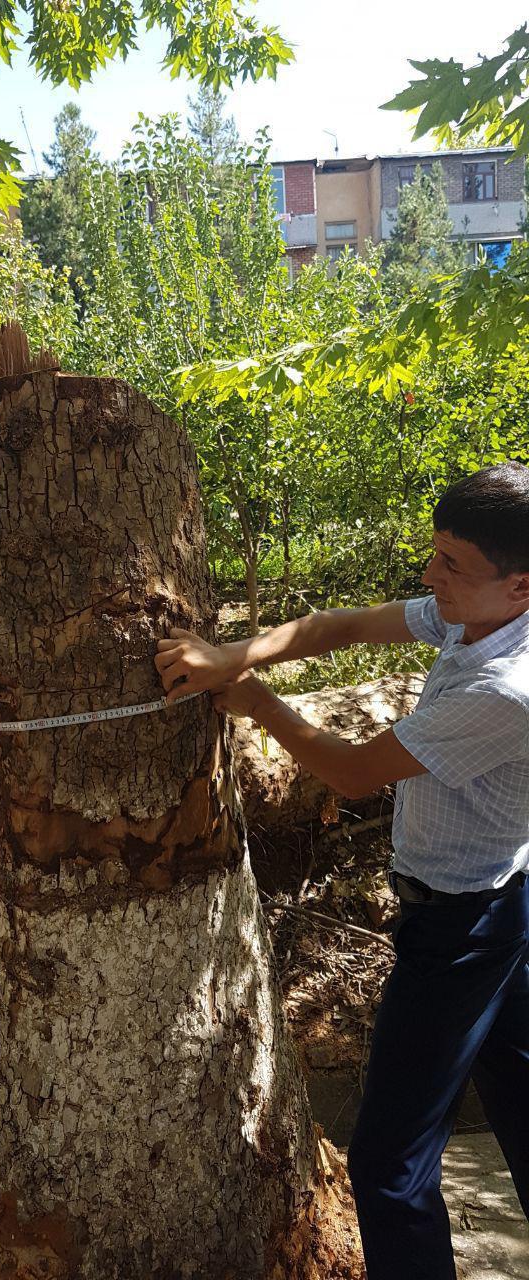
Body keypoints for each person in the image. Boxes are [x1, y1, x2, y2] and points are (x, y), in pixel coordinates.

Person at [155, 462, 529, 1280]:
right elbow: (342, 625)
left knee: (387, 1166)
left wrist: (255, 701)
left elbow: (358, 772)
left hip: (464, 927)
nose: (431, 577)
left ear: (521, 588)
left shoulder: (510, 686)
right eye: (434, 555)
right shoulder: (478, 619)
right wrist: (231, 651)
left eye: (451, 567)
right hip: (500, 909)